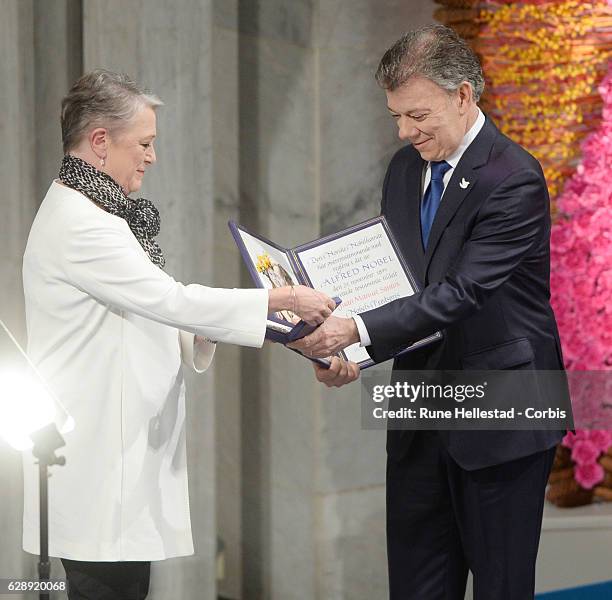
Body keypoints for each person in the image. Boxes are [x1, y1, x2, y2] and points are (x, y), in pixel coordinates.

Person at [21, 69, 338, 600]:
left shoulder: (95, 211)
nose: (152, 157)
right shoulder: (83, 223)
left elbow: (150, 310)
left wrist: (276, 330)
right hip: (99, 459)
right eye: (144, 143)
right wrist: (282, 301)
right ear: (100, 142)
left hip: (113, 454)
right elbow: (171, 300)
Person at [290, 26, 569, 599]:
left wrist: (359, 329)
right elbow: (401, 285)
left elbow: (462, 293)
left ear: (463, 95)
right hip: (420, 409)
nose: (404, 131)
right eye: (396, 116)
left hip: (503, 413)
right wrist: (353, 352)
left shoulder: (513, 176)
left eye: (417, 115)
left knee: (501, 587)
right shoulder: (403, 168)